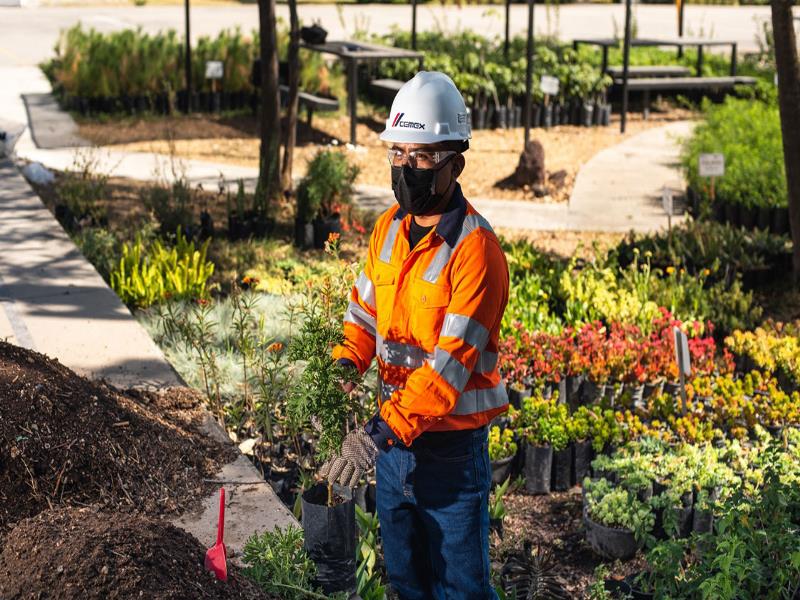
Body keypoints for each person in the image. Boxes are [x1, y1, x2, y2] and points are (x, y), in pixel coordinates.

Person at [318, 71, 510, 600]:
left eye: (422, 157)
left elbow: (449, 367)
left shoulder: (476, 252)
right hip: (394, 444)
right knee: (406, 582)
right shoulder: (387, 230)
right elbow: (362, 316)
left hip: (449, 453)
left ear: (456, 164)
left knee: (461, 589)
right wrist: (342, 368)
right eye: (398, 153)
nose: (407, 168)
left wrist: (379, 432)